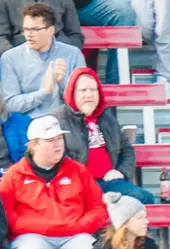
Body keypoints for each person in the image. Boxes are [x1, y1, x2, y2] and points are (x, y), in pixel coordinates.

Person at [0, 114, 107, 249]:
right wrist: (44, 227)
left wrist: (79, 226)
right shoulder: (14, 175)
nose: (58, 144)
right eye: (51, 140)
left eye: (60, 138)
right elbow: (5, 215)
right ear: (34, 145)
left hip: (75, 235)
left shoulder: (78, 170)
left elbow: (98, 207)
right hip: (32, 236)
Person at [62, 68, 155, 203]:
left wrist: (121, 172)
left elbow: (127, 150)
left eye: (93, 90)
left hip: (112, 182)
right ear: (73, 93)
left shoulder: (106, 117)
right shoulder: (60, 119)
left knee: (144, 197)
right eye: (83, 90)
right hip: (79, 185)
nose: (89, 95)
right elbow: (57, 158)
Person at [1, 0, 88, 119]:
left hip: (64, 122)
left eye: (35, 29)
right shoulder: (10, 58)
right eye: (26, 29)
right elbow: (10, 104)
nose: (29, 35)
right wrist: (44, 92)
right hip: (27, 123)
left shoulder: (73, 54)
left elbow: (82, 101)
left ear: (51, 30)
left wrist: (62, 83)